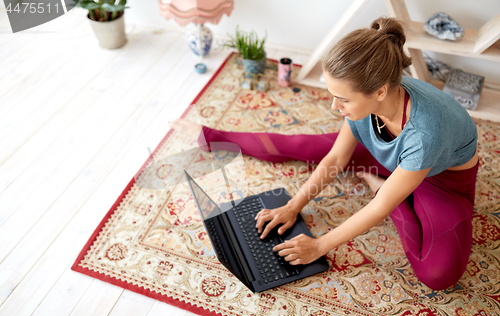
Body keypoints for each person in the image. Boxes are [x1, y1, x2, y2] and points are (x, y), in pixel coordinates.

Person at [169, 17, 479, 291]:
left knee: (439, 274)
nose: (334, 107)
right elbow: (336, 159)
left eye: (342, 99)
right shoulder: (369, 94)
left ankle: (389, 188)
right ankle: (211, 136)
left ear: (380, 92)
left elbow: (379, 207)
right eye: (332, 95)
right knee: (302, 146)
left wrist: (319, 245)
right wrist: (293, 206)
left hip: (441, 180)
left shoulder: (424, 134)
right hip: (388, 152)